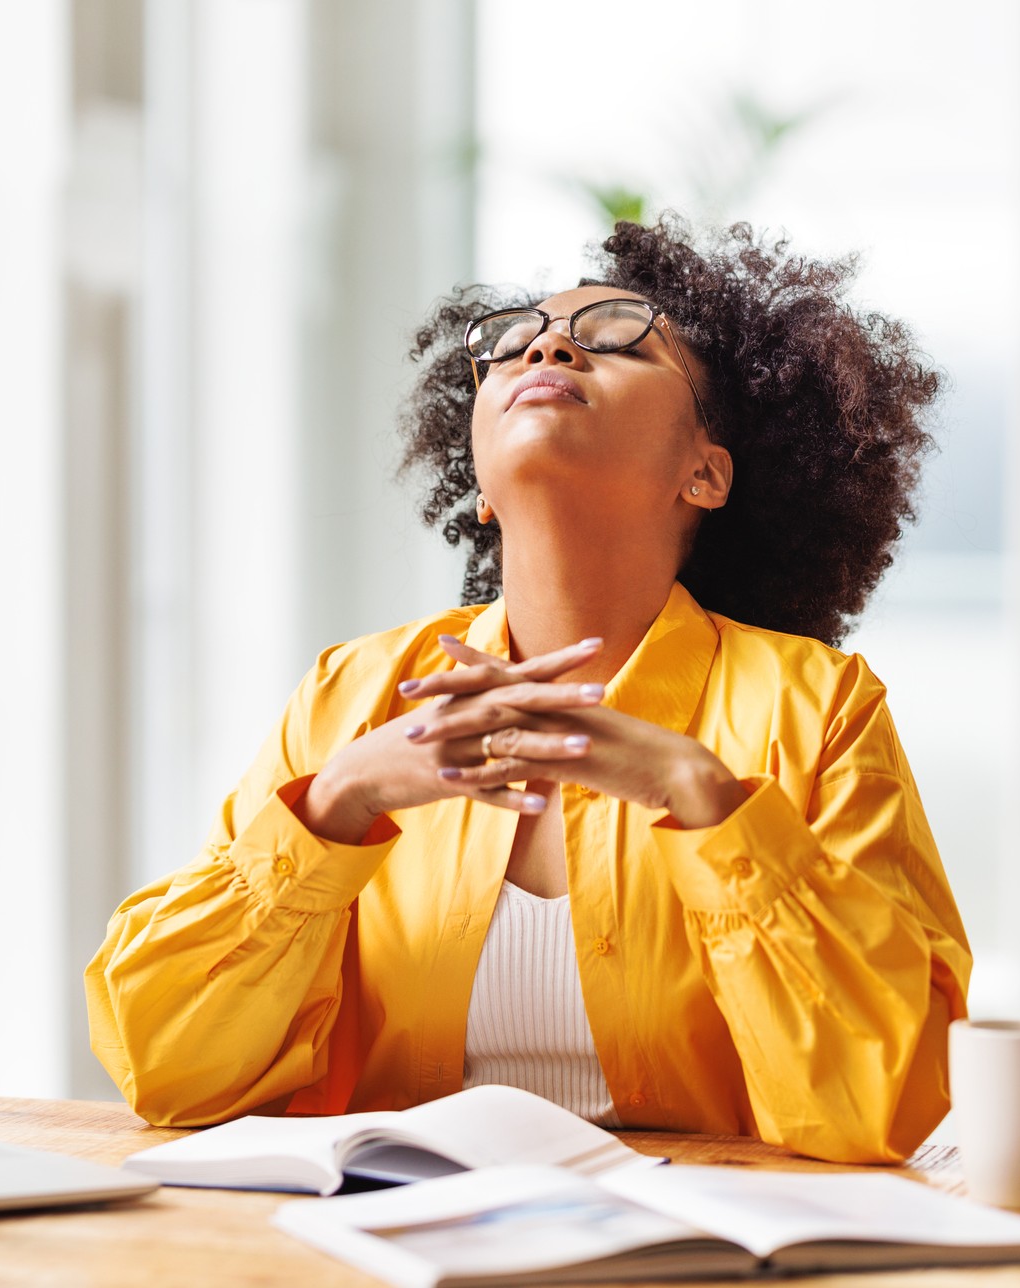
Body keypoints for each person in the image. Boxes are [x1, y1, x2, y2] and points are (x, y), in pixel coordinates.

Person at [85, 214, 972, 1165]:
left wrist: (705, 800)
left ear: (706, 473)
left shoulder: (818, 705)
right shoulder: (354, 695)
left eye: (620, 337)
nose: (546, 344)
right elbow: (167, 1065)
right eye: (514, 342)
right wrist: (338, 806)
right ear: (478, 483)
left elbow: (888, 1101)